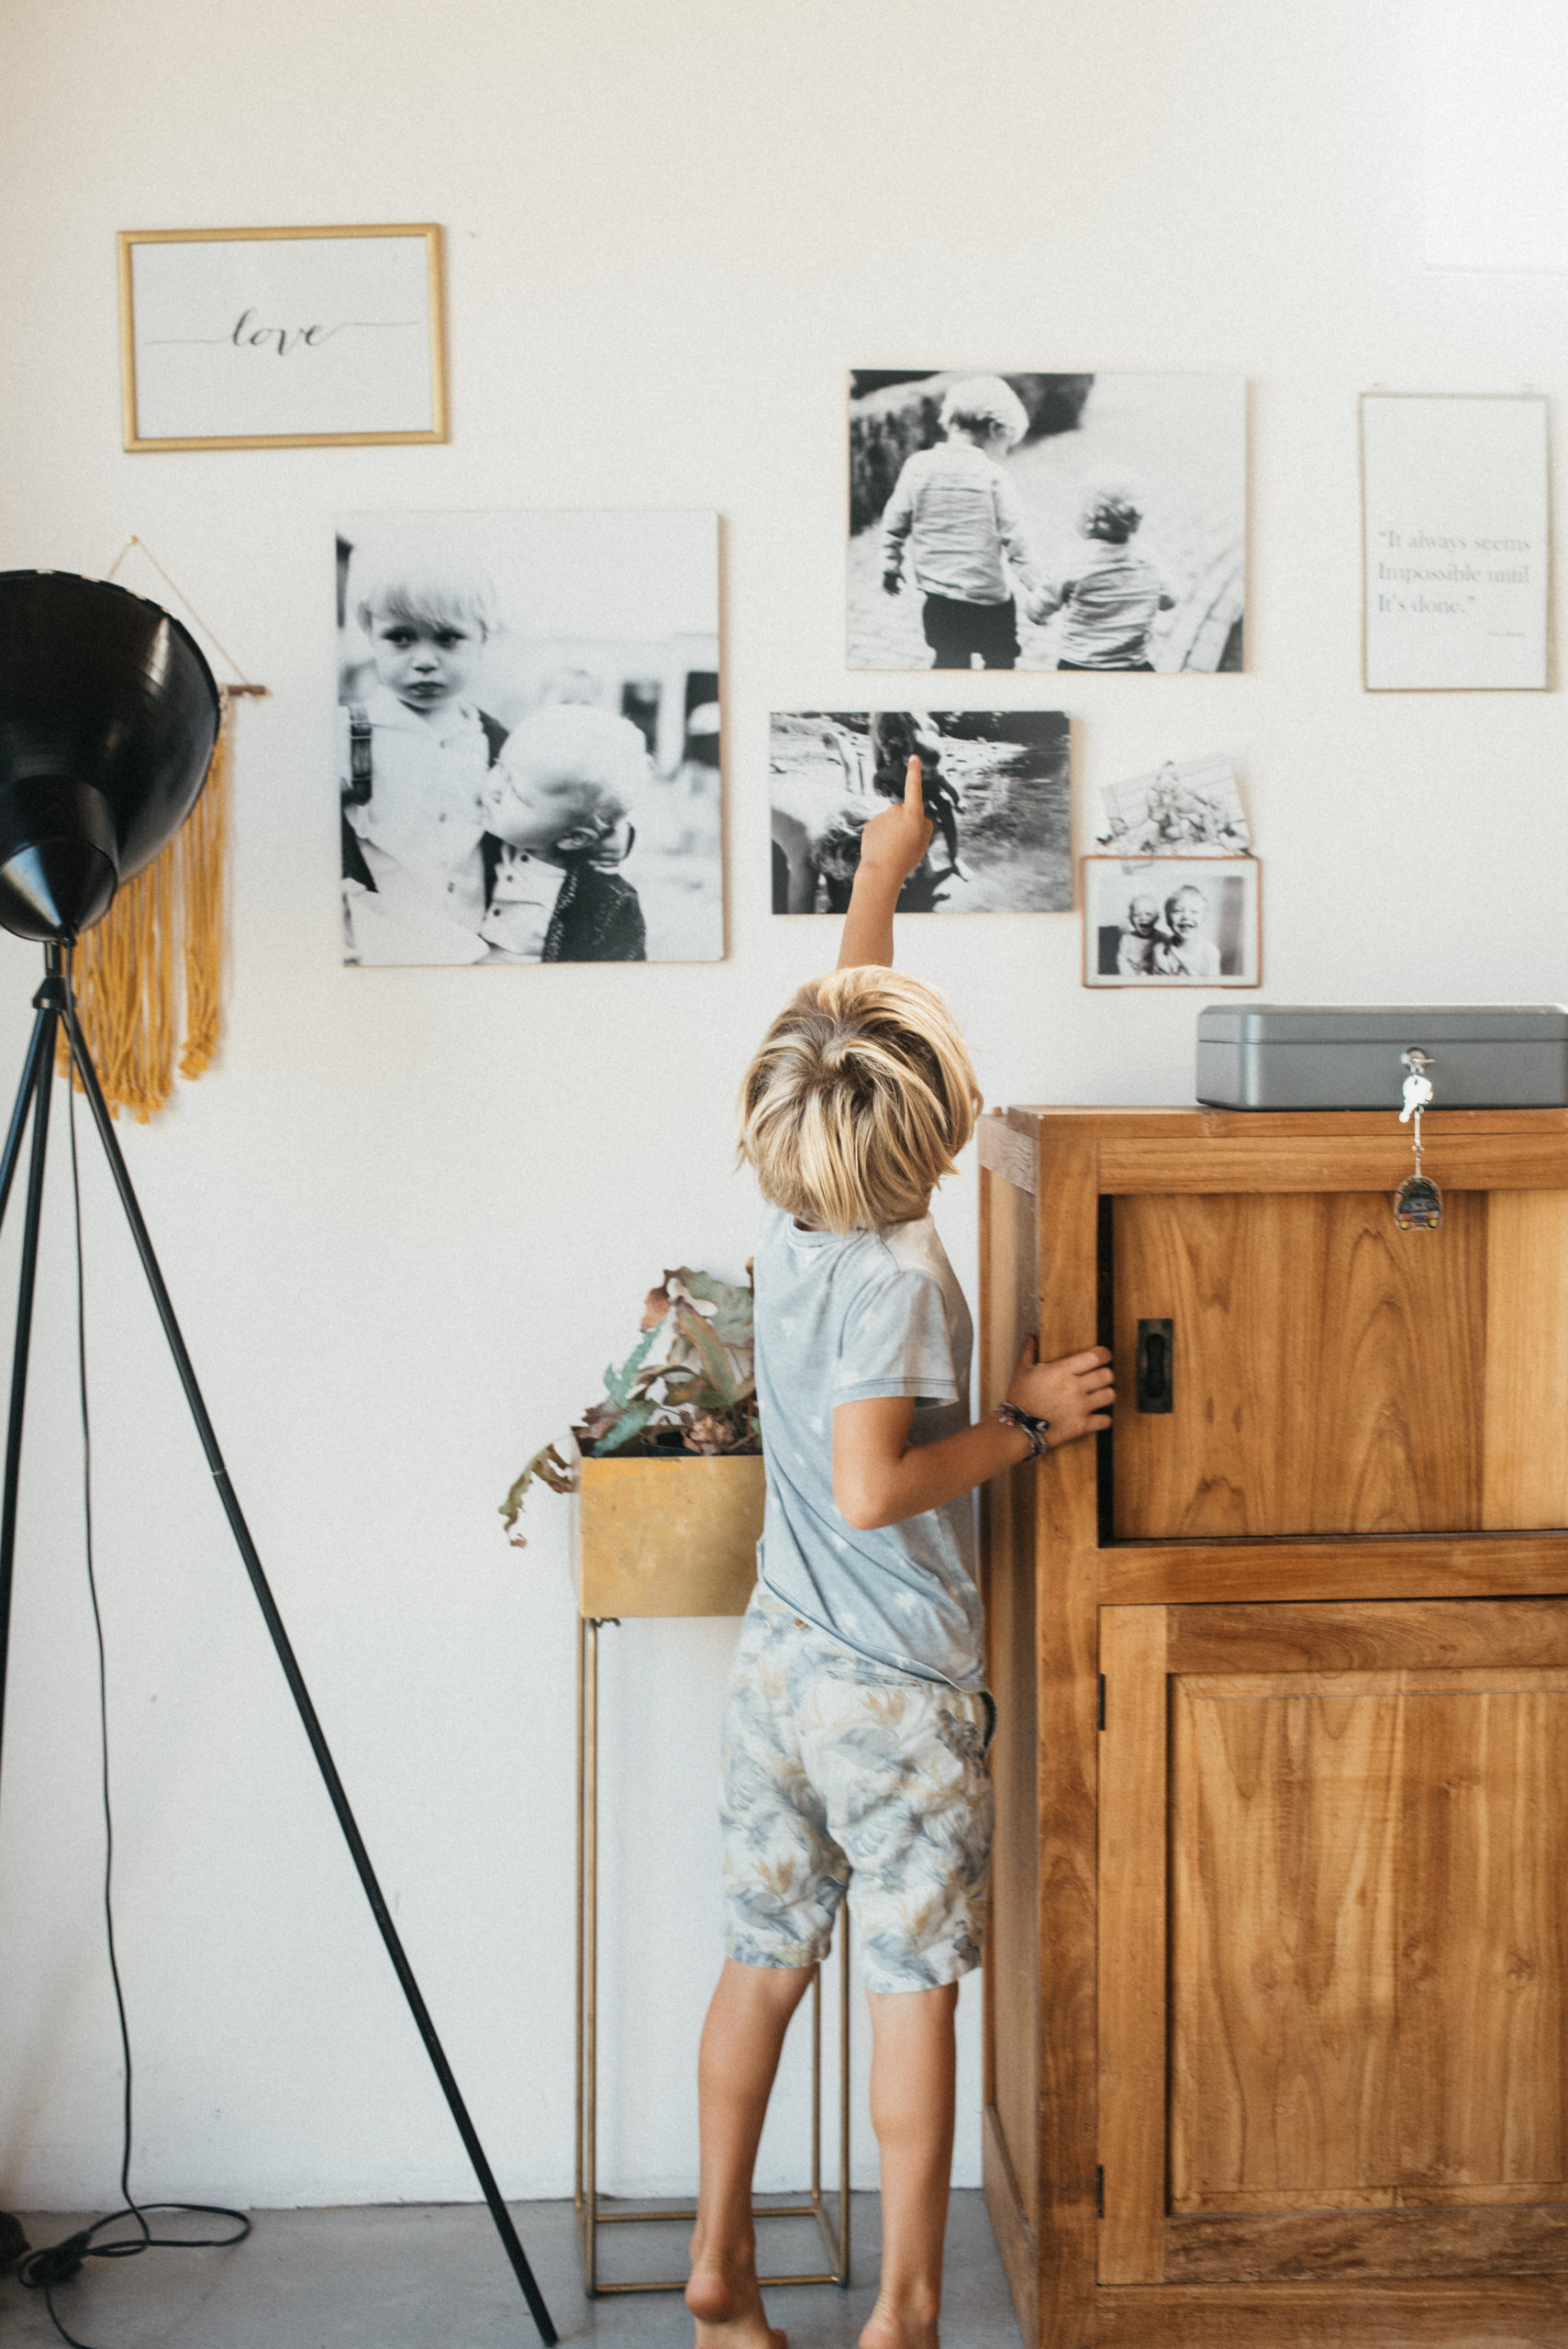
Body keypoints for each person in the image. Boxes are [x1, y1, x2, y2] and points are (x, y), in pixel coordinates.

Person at [687, 758, 1115, 2349]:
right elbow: (876, 1489)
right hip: (889, 1690)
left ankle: (719, 2272)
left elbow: (839, 1010)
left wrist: (888, 858)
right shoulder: (897, 1278)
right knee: (909, 1982)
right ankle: (905, 2311)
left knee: (758, 1963)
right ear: (931, 1126)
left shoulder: (793, 1202)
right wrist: (1019, 1422)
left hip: (779, 1661)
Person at [339, 560, 505, 965]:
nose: (424, 660)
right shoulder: (344, 734)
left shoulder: (497, 741)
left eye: (448, 639)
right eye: (400, 638)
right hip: (379, 948)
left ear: (483, 640)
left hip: (473, 945)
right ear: (372, 638)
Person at [879, 377, 1040, 671]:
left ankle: (944, 710)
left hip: (938, 597)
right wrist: (1038, 587)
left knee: (948, 658)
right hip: (987, 599)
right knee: (1001, 659)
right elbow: (1017, 539)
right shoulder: (993, 476)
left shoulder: (918, 466)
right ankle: (993, 712)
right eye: (1006, 444)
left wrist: (891, 564)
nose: (1004, 453)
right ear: (994, 429)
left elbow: (894, 522)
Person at [479, 703, 648, 962]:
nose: (494, 787)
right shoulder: (484, 844)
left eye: (517, 794)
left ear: (573, 838)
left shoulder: (605, 903)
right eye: (500, 767)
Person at [1028, 475, 1175, 672]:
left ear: (1090, 518)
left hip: (1079, 667)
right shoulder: (1148, 558)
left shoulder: (1073, 560)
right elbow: (1169, 600)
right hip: (1134, 668)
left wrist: (1037, 606)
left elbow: (1037, 610)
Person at [1151, 882, 1220, 976]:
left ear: (1203, 919)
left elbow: (1212, 988)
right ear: (1167, 919)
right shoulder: (1160, 950)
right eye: (1178, 911)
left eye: (1194, 912)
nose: (1186, 917)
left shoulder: (1210, 952)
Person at [1117, 890, 1164, 974]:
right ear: (1131, 919)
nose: (1142, 918)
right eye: (1136, 915)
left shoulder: (1162, 938)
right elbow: (1122, 960)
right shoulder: (1127, 939)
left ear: (1157, 918)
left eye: (1148, 914)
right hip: (1133, 976)